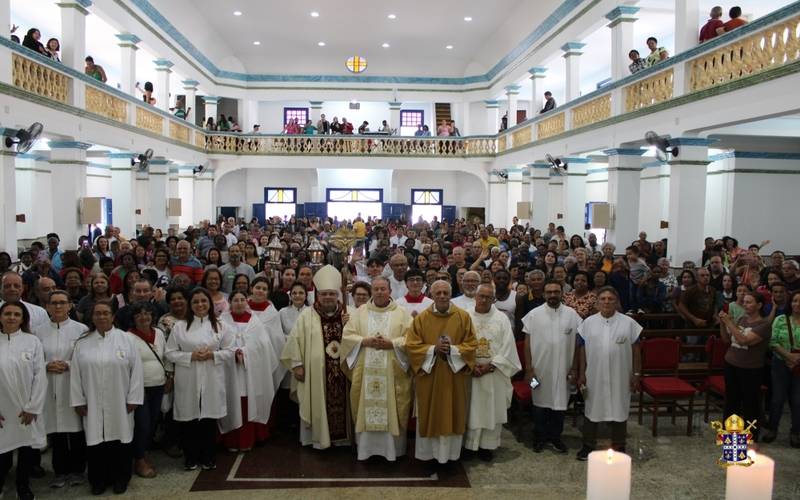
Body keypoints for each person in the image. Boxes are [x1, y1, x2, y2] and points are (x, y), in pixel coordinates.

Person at [70, 301, 143, 495]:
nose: (102, 317)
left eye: (106, 313)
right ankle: (98, 480)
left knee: (121, 440)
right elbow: (75, 374)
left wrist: (134, 398)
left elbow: (136, 371)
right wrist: (78, 401)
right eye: (97, 314)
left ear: (113, 316)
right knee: (96, 442)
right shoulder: (83, 343)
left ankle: (121, 478)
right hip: (92, 402)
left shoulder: (127, 340)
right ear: (92, 317)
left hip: (121, 401)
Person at [280, 265, 353, 449]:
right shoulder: (307, 315)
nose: (328, 297)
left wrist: (349, 325)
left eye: (331, 293)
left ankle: (343, 439)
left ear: (338, 295)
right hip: (315, 376)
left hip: (345, 374)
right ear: (317, 295)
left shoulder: (347, 313)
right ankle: (319, 440)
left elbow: (357, 339)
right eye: (324, 294)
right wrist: (297, 364)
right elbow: (295, 340)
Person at [405, 280, 477, 465]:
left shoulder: (463, 317)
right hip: (430, 378)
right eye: (439, 293)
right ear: (432, 294)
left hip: (454, 378)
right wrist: (432, 350)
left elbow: (471, 345)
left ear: (450, 294)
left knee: (453, 412)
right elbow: (411, 346)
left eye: (446, 292)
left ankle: (451, 457)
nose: (443, 296)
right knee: (429, 413)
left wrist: (452, 350)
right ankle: (427, 456)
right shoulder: (421, 318)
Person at [340, 277, 413, 461]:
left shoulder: (403, 314)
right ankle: (366, 450)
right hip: (365, 372)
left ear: (390, 291)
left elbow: (412, 339)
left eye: (383, 289)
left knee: (392, 406)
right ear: (372, 291)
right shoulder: (359, 312)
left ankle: (393, 451)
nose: (379, 292)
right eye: (376, 289)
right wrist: (364, 341)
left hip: (392, 372)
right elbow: (347, 336)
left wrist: (392, 344)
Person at [165, 288, 233, 471]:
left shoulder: (221, 325)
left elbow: (231, 350)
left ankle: (209, 456)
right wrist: (190, 356)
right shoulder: (179, 327)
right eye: (195, 302)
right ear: (190, 305)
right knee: (189, 420)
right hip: (188, 377)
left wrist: (213, 355)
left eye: (204, 301)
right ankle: (190, 457)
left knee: (208, 420)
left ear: (210, 304)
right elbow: (169, 353)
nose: (200, 305)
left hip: (212, 377)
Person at [575, 287, 642, 460]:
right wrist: (581, 373)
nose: (606, 302)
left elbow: (636, 351)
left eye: (610, 299)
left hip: (621, 374)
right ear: (597, 302)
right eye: (603, 299)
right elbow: (582, 350)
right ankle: (588, 445)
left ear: (617, 301)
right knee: (592, 408)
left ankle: (619, 445)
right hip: (594, 375)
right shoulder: (588, 323)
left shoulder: (629, 323)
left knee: (619, 407)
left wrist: (636, 373)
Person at [34, 291, 88, 489]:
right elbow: (32, 359)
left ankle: (78, 470)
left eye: (62, 303)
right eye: (53, 303)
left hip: (71, 385)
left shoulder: (81, 329)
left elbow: (86, 358)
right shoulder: (38, 331)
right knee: (55, 432)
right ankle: (60, 471)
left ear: (70, 306)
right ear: (47, 306)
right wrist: (47, 364)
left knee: (76, 432)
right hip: (49, 386)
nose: (57, 307)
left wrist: (67, 364)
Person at [523, 280, 582, 453]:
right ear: (543, 294)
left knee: (560, 405)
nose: (552, 295)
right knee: (539, 405)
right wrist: (529, 369)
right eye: (549, 292)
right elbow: (527, 344)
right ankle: (540, 437)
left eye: (556, 292)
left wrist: (575, 368)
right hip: (538, 370)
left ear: (562, 293)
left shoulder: (572, 315)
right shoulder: (534, 314)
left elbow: (579, 344)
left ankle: (556, 437)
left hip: (565, 370)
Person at [464, 284, 520, 460]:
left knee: (490, 409)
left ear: (493, 299)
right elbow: (457, 342)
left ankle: (486, 447)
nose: (484, 299)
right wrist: (469, 364)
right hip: (469, 372)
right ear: (475, 296)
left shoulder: (501, 319)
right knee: (469, 409)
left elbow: (508, 347)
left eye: (488, 297)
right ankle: (467, 446)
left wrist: (491, 365)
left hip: (493, 372)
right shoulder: (465, 316)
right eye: (481, 296)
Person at [218, 291, 279, 452]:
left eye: (242, 300)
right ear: (229, 302)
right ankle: (230, 440)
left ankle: (249, 439)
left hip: (250, 371)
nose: (239, 303)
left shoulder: (255, 322)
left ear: (247, 301)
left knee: (248, 400)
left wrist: (244, 352)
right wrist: (232, 353)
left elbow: (263, 346)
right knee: (231, 400)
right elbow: (216, 344)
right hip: (228, 370)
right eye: (235, 300)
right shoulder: (221, 322)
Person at [0, 301, 46, 500]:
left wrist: (33, 407)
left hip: (27, 409)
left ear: (23, 319)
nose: (11, 317)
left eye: (16, 314)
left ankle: (23, 486)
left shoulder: (32, 341)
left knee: (27, 451)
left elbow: (39, 376)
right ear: (0, 317)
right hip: (2, 410)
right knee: (2, 454)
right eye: (7, 313)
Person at [718, 291, 771, 441]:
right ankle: (729, 434)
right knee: (731, 401)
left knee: (750, 404)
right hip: (731, 363)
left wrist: (729, 322)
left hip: (750, 369)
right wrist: (723, 324)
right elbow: (727, 339)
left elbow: (744, 340)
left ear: (759, 305)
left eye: (749, 302)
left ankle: (750, 438)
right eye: (744, 302)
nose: (745, 304)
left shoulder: (764, 325)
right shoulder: (742, 319)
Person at [126, 302, 170, 479]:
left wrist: (169, 377)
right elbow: (127, 366)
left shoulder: (159, 333)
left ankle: (142, 453)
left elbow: (166, 356)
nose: (143, 317)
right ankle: (138, 459)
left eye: (147, 313)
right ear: (133, 318)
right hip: (139, 389)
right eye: (139, 314)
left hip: (158, 385)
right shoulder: (127, 337)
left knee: (152, 422)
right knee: (142, 425)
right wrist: (135, 388)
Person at [763, 290, 800, 446]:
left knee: (797, 400)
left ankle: (796, 432)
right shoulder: (780, 319)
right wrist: (789, 357)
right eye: (795, 301)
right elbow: (772, 342)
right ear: (790, 303)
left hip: (799, 365)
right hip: (780, 364)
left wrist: (796, 359)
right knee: (777, 399)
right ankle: (773, 429)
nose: (797, 304)